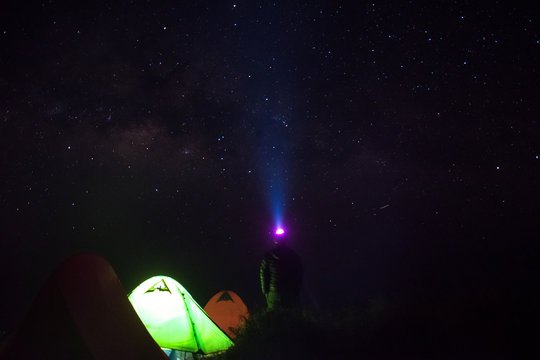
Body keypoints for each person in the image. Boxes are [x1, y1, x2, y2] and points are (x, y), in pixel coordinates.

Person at [259, 232, 303, 310]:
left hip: (273, 293)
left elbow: (263, 274)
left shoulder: (268, 256)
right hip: (290, 292)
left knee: (274, 317)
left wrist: (265, 291)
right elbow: (299, 273)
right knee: (289, 316)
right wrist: (296, 291)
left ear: (275, 240)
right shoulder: (293, 255)